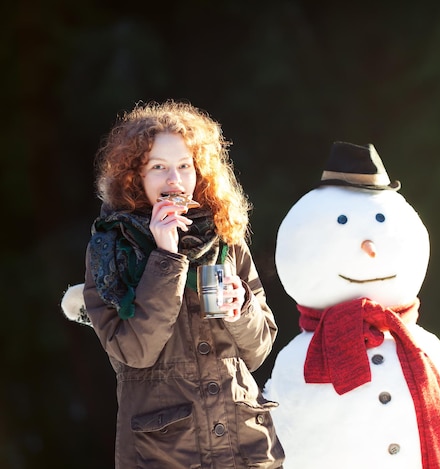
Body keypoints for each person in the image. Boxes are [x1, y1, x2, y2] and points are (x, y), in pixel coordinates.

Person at [81, 100, 284, 468]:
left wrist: (243, 309)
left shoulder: (225, 238)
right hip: (166, 454)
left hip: (247, 449)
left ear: (199, 172)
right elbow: (135, 353)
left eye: (184, 166)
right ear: (133, 177)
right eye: (158, 167)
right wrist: (166, 256)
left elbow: (258, 352)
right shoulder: (109, 250)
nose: (174, 180)